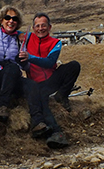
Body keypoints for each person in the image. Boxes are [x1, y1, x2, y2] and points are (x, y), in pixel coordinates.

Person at [0, 5, 51, 138]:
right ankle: (2, 105)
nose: (11, 21)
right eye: (7, 18)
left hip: (14, 79)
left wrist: (24, 61)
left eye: (14, 19)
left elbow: (26, 68)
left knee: (31, 85)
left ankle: (37, 122)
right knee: (12, 67)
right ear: (1, 20)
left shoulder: (20, 40)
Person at [19, 12, 81, 148]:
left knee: (74, 65)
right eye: (37, 26)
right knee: (41, 98)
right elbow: (11, 30)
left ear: (50, 27)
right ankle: (56, 133)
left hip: (51, 79)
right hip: (35, 83)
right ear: (33, 28)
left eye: (43, 25)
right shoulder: (28, 37)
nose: (40, 28)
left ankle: (62, 96)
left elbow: (50, 62)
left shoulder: (56, 43)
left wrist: (30, 57)